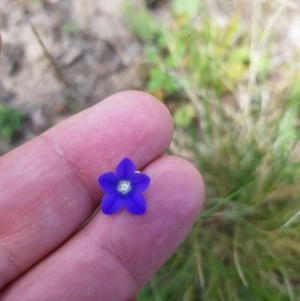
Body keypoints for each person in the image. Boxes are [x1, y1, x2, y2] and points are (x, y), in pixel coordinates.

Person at [0, 34, 205, 300]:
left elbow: (131, 186)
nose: (123, 184)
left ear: (129, 180)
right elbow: (115, 191)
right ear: (121, 181)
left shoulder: (130, 184)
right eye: (122, 183)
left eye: (126, 182)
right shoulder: (118, 187)